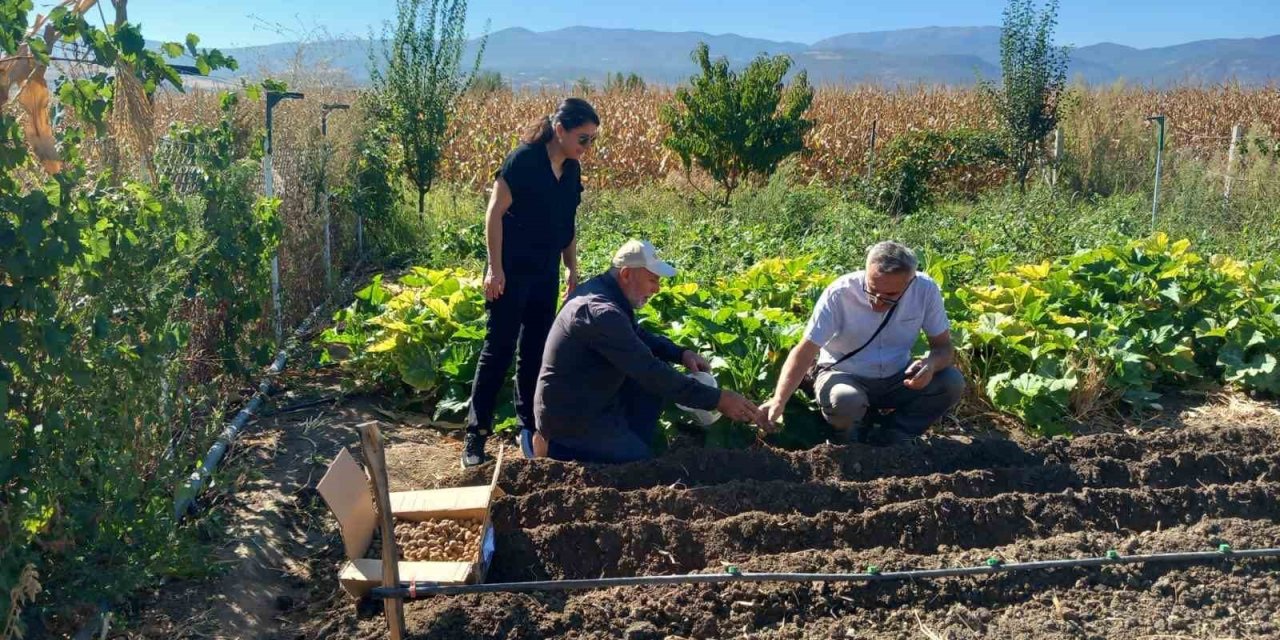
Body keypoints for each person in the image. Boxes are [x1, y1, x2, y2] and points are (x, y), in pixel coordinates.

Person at [528, 239, 769, 463]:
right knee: (638, 464)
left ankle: (620, 440)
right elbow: (650, 371)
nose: (657, 289)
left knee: (646, 405)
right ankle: (554, 450)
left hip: (589, 397)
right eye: (652, 280)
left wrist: (680, 353)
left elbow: (636, 334)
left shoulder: (602, 291)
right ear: (626, 274)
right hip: (570, 419)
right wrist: (717, 399)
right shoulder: (600, 312)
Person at [462, 98, 600, 468]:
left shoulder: (570, 171)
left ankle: (529, 429)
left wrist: (571, 267)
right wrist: (494, 269)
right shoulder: (524, 160)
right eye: (583, 139)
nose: (587, 148)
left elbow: (566, 224)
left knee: (535, 354)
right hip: (511, 271)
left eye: (592, 141)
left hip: (544, 273)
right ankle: (476, 436)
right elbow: (494, 213)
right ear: (560, 130)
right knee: (499, 350)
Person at [759, 241, 965, 444]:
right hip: (844, 374)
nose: (877, 300)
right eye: (872, 289)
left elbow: (943, 347)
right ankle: (848, 441)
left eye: (890, 295)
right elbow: (805, 351)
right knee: (845, 399)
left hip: (898, 377)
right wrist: (779, 399)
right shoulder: (840, 293)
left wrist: (930, 365)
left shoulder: (925, 290)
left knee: (951, 382)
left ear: (910, 282)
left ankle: (896, 433)